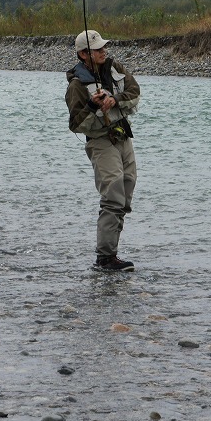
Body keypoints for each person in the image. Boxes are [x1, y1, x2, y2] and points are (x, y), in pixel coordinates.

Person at [65, 29, 140, 271]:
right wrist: (91, 104)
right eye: (98, 49)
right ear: (84, 54)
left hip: (122, 137)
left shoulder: (115, 67)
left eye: (103, 47)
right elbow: (76, 124)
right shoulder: (76, 86)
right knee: (112, 197)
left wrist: (114, 100)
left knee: (125, 192)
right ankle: (105, 258)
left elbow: (134, 92)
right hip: (99, 141)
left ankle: (112, 252)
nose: (103, 51)